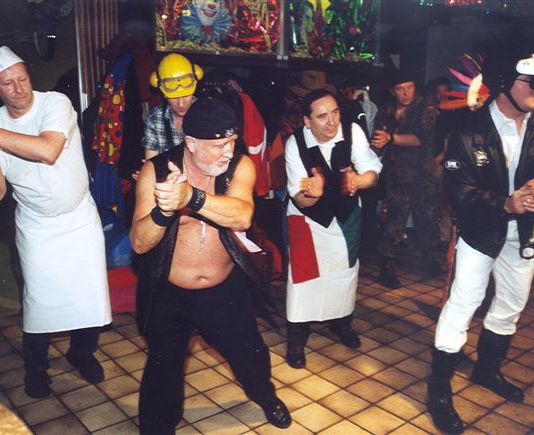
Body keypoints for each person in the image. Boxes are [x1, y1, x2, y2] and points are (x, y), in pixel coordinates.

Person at [426, 51, 534, 434]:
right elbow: (458, 191)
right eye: (531, 80)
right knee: (463, 304)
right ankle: (438, 391)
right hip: (481, 230)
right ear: (503, 83)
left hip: (526, 231)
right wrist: (505, 203)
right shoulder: (467, 130)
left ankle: (487, 369)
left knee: (512, 303)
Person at [0, 46, 112, 398]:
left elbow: (47, 150)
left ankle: (82, 354)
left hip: (79, 217)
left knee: (89, 294)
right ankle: (36, 369)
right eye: (7, 83)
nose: (19, 88)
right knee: (39, 302)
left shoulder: (55, 103)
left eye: (22, 78)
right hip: (36, 226)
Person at [131, 97, 291, 433]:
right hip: (170, 295)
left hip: (224, 290)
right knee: (163, 371)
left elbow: (242, 215)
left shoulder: (239, 166)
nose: (228, 152)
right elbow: (140, 243)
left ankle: (266, 397)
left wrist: (191, 197)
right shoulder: (155, 171)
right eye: (219, 145)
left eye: (232, 142)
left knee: (250, 355)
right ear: (190, 143)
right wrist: (164, 210)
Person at [284, 88, 381, 369]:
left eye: (335, 112)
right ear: (307, 121)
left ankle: (341, 322)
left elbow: (372, 172)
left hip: (346, 217)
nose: (332, 121)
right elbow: (299, 197)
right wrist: (313, 193)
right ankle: (297, 336)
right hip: (308, 219)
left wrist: (357, 182)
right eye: (322, 116)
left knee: (344, 274)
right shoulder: (295, 144)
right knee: (304, 280)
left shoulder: (352, 132)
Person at [372, 73, 443, 289]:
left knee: (426, 218)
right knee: (395, 220)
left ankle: (430, 259)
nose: (406, 93)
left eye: (409, 87)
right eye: (400, 89)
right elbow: (378, 137)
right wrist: (378, 145)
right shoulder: (385, 110)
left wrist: (390, 138)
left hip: (422, 174)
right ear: (392, 91)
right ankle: (388, 266)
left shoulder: (426, 108)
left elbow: (420, 139)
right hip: (396, 173)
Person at [141, 53, 202, 160]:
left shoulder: (207, 114)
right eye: (174, 97)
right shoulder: (155, 118)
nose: (181, 104)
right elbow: (151, 161)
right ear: (164, 94)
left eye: (186, 95)